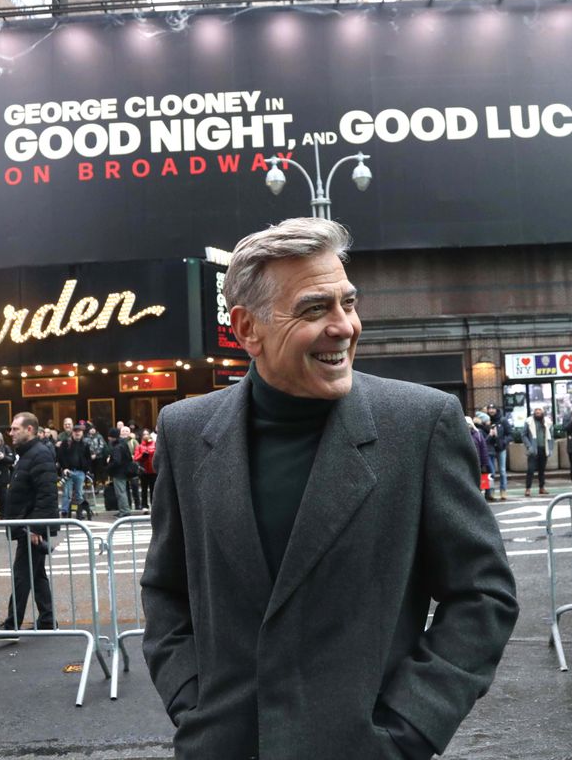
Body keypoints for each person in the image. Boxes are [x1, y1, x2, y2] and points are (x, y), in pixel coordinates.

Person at [140, 218, 518, 759]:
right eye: (315, 309)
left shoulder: (419, 424)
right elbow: (166, 589)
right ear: (249, 330)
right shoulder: (185, 430)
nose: (345, 326)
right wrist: (191, 701)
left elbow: (483, 596)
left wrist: (408, 729)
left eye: (349, 303)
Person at [0, 413, 58, 640]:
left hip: (31, 527)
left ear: (30, 430)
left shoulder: (39, 455)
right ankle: (47, 621)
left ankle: (12, 626)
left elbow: (47, 495)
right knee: (36, 574)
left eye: (15, 429)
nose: (11, 433)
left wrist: (35, 529)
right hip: (27, 525)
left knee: (22, 574)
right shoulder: (28, 455)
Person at [57, 422, 93, 517]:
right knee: (67, 493)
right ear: (72, 432)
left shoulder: (85, 444)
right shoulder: (66, 443)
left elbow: (88, 458)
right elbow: (60, 456)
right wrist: (65, 468)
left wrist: (86, 470)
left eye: (79, 431)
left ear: (82, 433)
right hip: (68, 471)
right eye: (76, 431)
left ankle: (79, 511)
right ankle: (65, 511)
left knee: (79, 493)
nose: (77, 433)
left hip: (80, 471)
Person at [522, 407, 553, 496]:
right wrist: (529, 446)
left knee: (542, 470)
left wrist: (550, 448)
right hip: (533, 449)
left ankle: (541, 488)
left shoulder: (548, 422)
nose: (538, 412)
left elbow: (551, 436)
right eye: (536, 411)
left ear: (543, 412)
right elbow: (523, 435)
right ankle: (528, 489)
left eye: (539, 411)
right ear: (534, 413)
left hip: (544, 448)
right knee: (530, 470)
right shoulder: (529, 421)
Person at [485, 404, 512, 499]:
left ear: (496, 410)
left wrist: (504, 442)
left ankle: (503, 491)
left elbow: (510, 434)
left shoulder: (503, 420)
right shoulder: (486, 421)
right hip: (489, 449)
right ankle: (491, 492)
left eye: (493, 408)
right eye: (489, 408)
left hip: (501, 448)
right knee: (490, 472)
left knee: (502, 471)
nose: (491, 410)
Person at [107, 428, 134, 518]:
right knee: (122, 491)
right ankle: (124, 510)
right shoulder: (123, 444)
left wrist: (109, 466)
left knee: (120, 492)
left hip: (119, 472)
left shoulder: (117, 447)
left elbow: (116, 461)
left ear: (113, 437)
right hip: (124, 471)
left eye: (110, 436)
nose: (109, 438)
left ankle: (124, 511)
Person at [134, 429, 157, 511]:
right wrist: (142, 456)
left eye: (147, 434)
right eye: (144, 434)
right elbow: (136, 458)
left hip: (153, 470)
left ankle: (154, 505)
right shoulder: (139, 447)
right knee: (144, 489)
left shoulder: (155, 445)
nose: (146, 436)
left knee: (153, 489)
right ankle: (144, 506)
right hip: (144, 471)